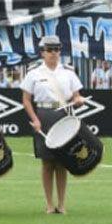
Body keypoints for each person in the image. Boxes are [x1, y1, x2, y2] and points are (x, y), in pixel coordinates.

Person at [20, 34, 86, 214]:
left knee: (62, 162)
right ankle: (49, 204)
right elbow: (26, 100)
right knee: (47, 162)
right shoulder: (34, 73)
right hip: (44, 114)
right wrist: (35, 119)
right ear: (42, 52)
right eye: (49, 50)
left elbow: (76, 95)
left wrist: (78, 99)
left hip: (63, 114)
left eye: (56, 49)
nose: (53, 53)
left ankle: (62, 203)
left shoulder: (68, 72)